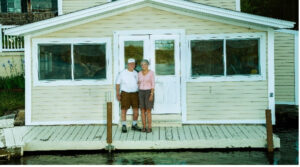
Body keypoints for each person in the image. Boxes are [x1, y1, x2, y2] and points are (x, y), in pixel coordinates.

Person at [116, 58, 141, 133]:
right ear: (128, 64)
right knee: (124, 109)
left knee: (136, 110)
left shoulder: (136, 73)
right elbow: (117, 84)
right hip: (125, 93)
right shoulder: (122, 73)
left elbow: (138, 83)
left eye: (133, 64)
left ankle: (134, 125)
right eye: (130, 64)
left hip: (135, 93)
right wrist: (118, 93)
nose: (132, 65)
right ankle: (124, 125)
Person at [138, 59, 155, 133]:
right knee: (142, 110)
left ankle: (149, 127)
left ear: (148, 65)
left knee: (148, 110)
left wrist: (151, 94)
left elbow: (153, 84)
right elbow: (138, 83)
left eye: (145, 64)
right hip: (141, 92)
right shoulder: (139, 73)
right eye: (142, 64)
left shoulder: (151, 73)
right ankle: (144, 126)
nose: (143, 66)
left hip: (149, 92)